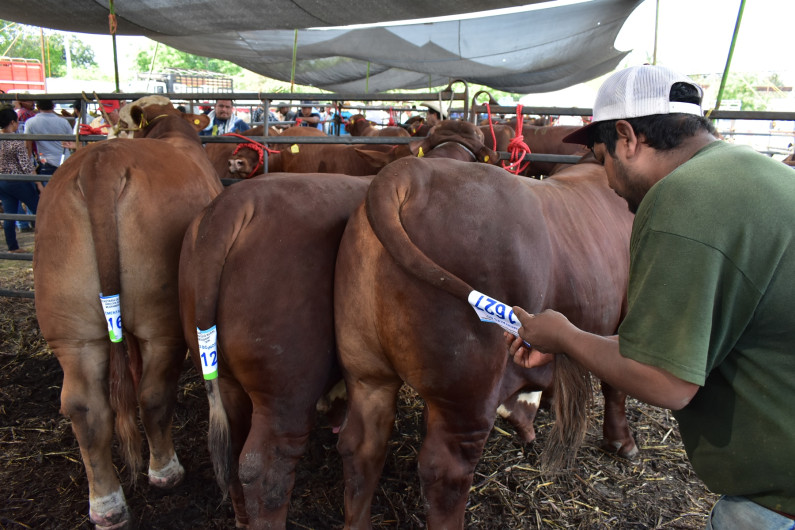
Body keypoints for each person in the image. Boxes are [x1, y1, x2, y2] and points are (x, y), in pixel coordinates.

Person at [505, 64, 795, 529]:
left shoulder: (680, 198)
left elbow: (665, 381)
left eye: (602, 160)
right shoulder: (753, 172)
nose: (609, 182)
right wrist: (573, 339)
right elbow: (683, 341)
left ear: (627, 137)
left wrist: (562, 334)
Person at [0, 107, 38, 253]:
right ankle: (48, 242)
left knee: (9, 214)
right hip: (18, 180)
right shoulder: (16, 140)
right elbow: (26, 165)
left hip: (3, 180)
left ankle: (13, 247)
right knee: (39, 210)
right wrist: (38, 183)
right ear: (12, 122)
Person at [24, 99, 73, 179]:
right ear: (53, 106)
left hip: (45, 162)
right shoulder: (64, 122)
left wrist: (27, 165)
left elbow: (27, 146)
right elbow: (71, 142)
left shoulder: (30, 122)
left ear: (38, 107)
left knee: (47, 188)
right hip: (65, 160)